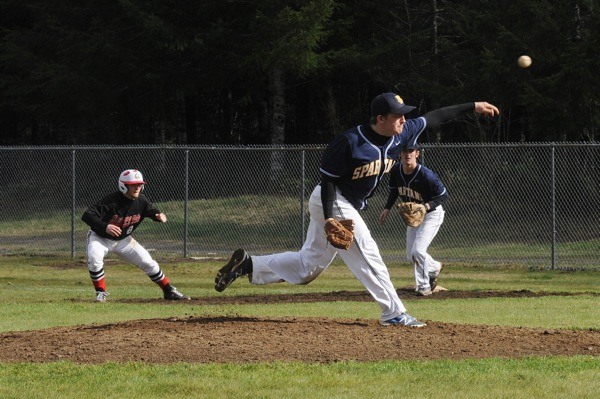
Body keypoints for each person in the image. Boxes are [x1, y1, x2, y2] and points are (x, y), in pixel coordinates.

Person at [214, 92, 499, 327]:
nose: (404, 119)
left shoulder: (402, 134)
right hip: (333, 199)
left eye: (404, 114)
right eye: (397, 115)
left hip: (346, 204)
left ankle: (249, 265)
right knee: (367, 251)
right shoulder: (351, 142)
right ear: (380, 119)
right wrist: (328, 218)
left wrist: (473, 106)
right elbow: (327, 182)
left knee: (307, 268)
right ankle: (394, 312)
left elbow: (436, 117)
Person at [82, 169, 190, 302]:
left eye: (139, 184)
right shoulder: (111, 201)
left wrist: (157, 215)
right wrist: (105, 226)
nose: (137, 187)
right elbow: (87, 215)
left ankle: (169, 291)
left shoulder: (141, 201)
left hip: (123, 240)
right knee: (94, 259)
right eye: (133, 184)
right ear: (123, 186)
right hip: (100, 238)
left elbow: (150, 210)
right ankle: (101, 293)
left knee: (148, 262)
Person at [379, 143, 448, 296]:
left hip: (431, 214)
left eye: (411, 151)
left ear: (417, 154)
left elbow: (443, 195)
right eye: (404, 151)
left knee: (418, 250)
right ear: (400, 154)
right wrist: (387, 208)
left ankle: (424, 286)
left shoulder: (426, 175)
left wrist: (425, 206)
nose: (407, 154)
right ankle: (434, 267)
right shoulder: (396, 170)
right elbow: (394, 190)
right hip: (414, 217)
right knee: (411, 254)